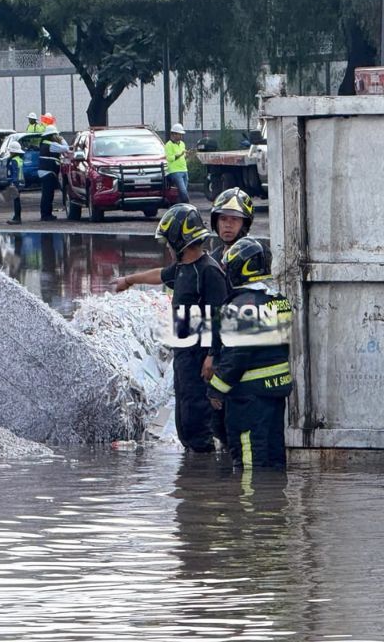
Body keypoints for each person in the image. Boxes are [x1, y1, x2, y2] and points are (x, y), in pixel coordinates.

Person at [114, 204, 228, 452]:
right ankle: (192, 480)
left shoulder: (209, 271)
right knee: (184, 422)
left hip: (201, 361)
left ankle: (207, 480)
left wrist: (212, 357)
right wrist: (129, 281)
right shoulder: (183, 269)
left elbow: (220, 317)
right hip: (185, 357)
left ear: (180, 240)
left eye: (168, 241)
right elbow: (160, 275)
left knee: (199, 426)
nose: (166, 246)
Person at [208, 237, 292, 470]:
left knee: (249, 460)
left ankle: (250, 506)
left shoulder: (241, 306)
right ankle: (273, 503)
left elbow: (237, 356)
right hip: (276, 392)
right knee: (274, 457)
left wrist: (216, 388)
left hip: (248, 399)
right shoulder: (278, 301)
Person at [209, 187, 254, 263]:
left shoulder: (254, 257)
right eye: (223, 219)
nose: (228, 225)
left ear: (245, 224)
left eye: (234, 219)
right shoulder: (213, 259)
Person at [38, 125, 68, 221]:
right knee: (48, 195)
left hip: (46, 172)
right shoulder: (51, 145)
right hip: (48, 172)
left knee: (47, 194)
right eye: (56, 135)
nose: (57, 136)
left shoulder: (46, 143)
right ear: (52, 135)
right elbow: (66, 148)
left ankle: (46, 214)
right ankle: (46, 215)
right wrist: (62, 139)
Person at [165, 123, 190, 204]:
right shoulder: (168, 145)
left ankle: (178, 206)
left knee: (182, 192)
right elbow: (169, 158)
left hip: (184, 169)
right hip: (175, 171)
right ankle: (187, 205)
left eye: (181, 134)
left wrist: (188, 155)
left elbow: (184, 156)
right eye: (179, 134)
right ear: (174, 134)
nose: (181, 136)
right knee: (183, 191)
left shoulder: (182, 144)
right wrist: (179, 155)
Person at [4, 140, 25, 225]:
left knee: (16, 201)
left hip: (15, 182)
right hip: (20, 182)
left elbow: (14, 172)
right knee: (16, 200)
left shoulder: (13, 161)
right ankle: (16, 216)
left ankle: (17, 218)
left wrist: (13, 183)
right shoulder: (19, 159)